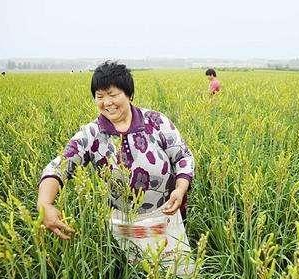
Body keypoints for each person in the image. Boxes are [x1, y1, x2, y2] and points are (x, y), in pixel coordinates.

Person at [37, 61, 195, 240]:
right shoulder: (91, 133)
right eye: (100, 96)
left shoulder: (156, 121)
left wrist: (180, 189)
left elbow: (183, 157)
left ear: (129, 94)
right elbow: (59, 166)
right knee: (132, 265)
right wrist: (45, 203)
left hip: (167, 213)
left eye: (112, 94)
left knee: (171, 261)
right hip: (123, 221)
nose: (107, 102)